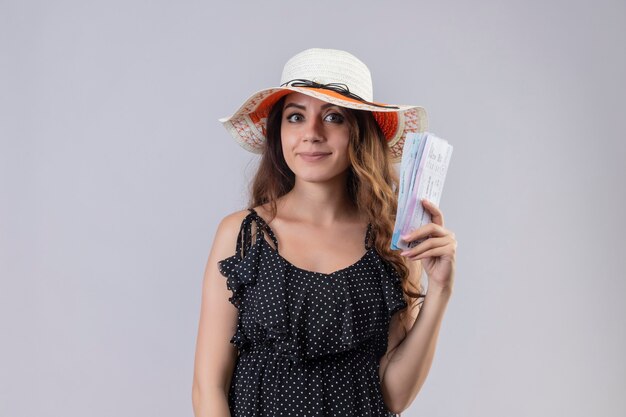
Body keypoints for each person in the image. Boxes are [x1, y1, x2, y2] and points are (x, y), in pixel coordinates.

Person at [192, 48, 457, 417]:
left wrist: (440, 290)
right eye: (295, 117)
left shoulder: (392, 242)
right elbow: (208, 388)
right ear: (278, 132)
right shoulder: (243, 234)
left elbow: (393, 397)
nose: (312, 134)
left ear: (359, 132)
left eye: (333, 117)